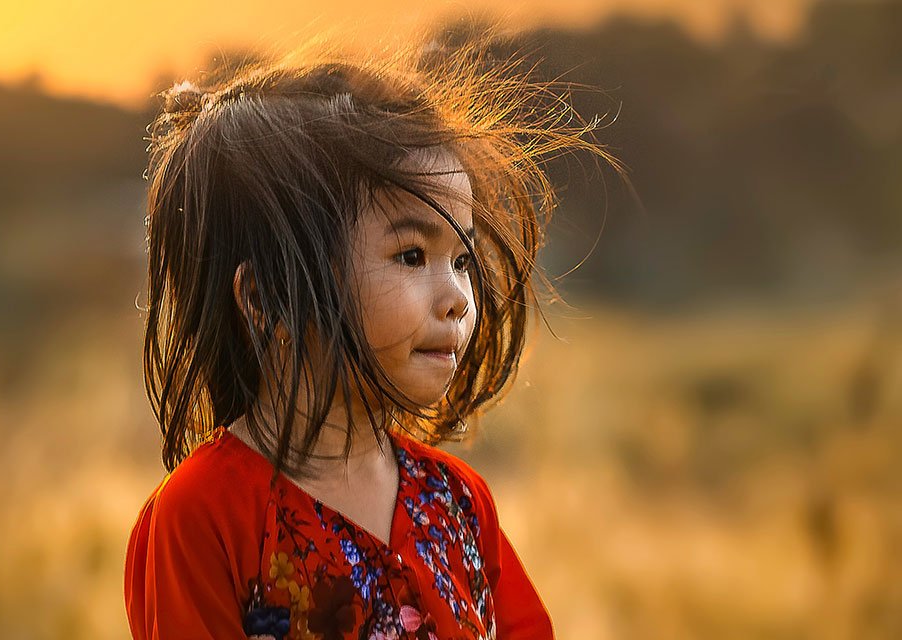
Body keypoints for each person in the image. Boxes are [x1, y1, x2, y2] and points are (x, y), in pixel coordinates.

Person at [123, 37, 618, 640]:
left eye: (461, 260)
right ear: (265, 296)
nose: (457, 297)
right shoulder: (203, 517)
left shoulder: (457, 502)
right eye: (412, 255)